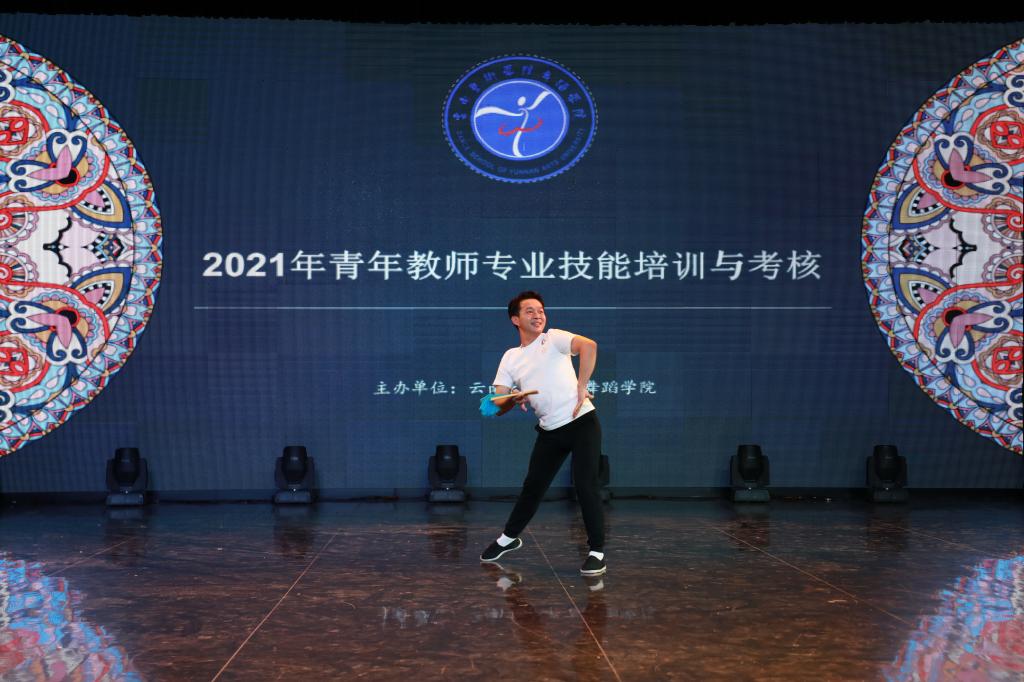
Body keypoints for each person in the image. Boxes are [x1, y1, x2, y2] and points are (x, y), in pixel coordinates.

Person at [479, 291, 606, 576]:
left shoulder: (554, 338)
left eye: (541, 310)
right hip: (550, 430)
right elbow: (496, 404)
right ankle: (509, 538)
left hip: (582, 422)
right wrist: (513, 398)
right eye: (530, 311)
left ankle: (597, 551)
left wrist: (582, 385)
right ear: (515, 320)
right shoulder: (511, 357)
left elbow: (589, 346)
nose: (538, 315)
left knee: (586, 485)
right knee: (533, 487)